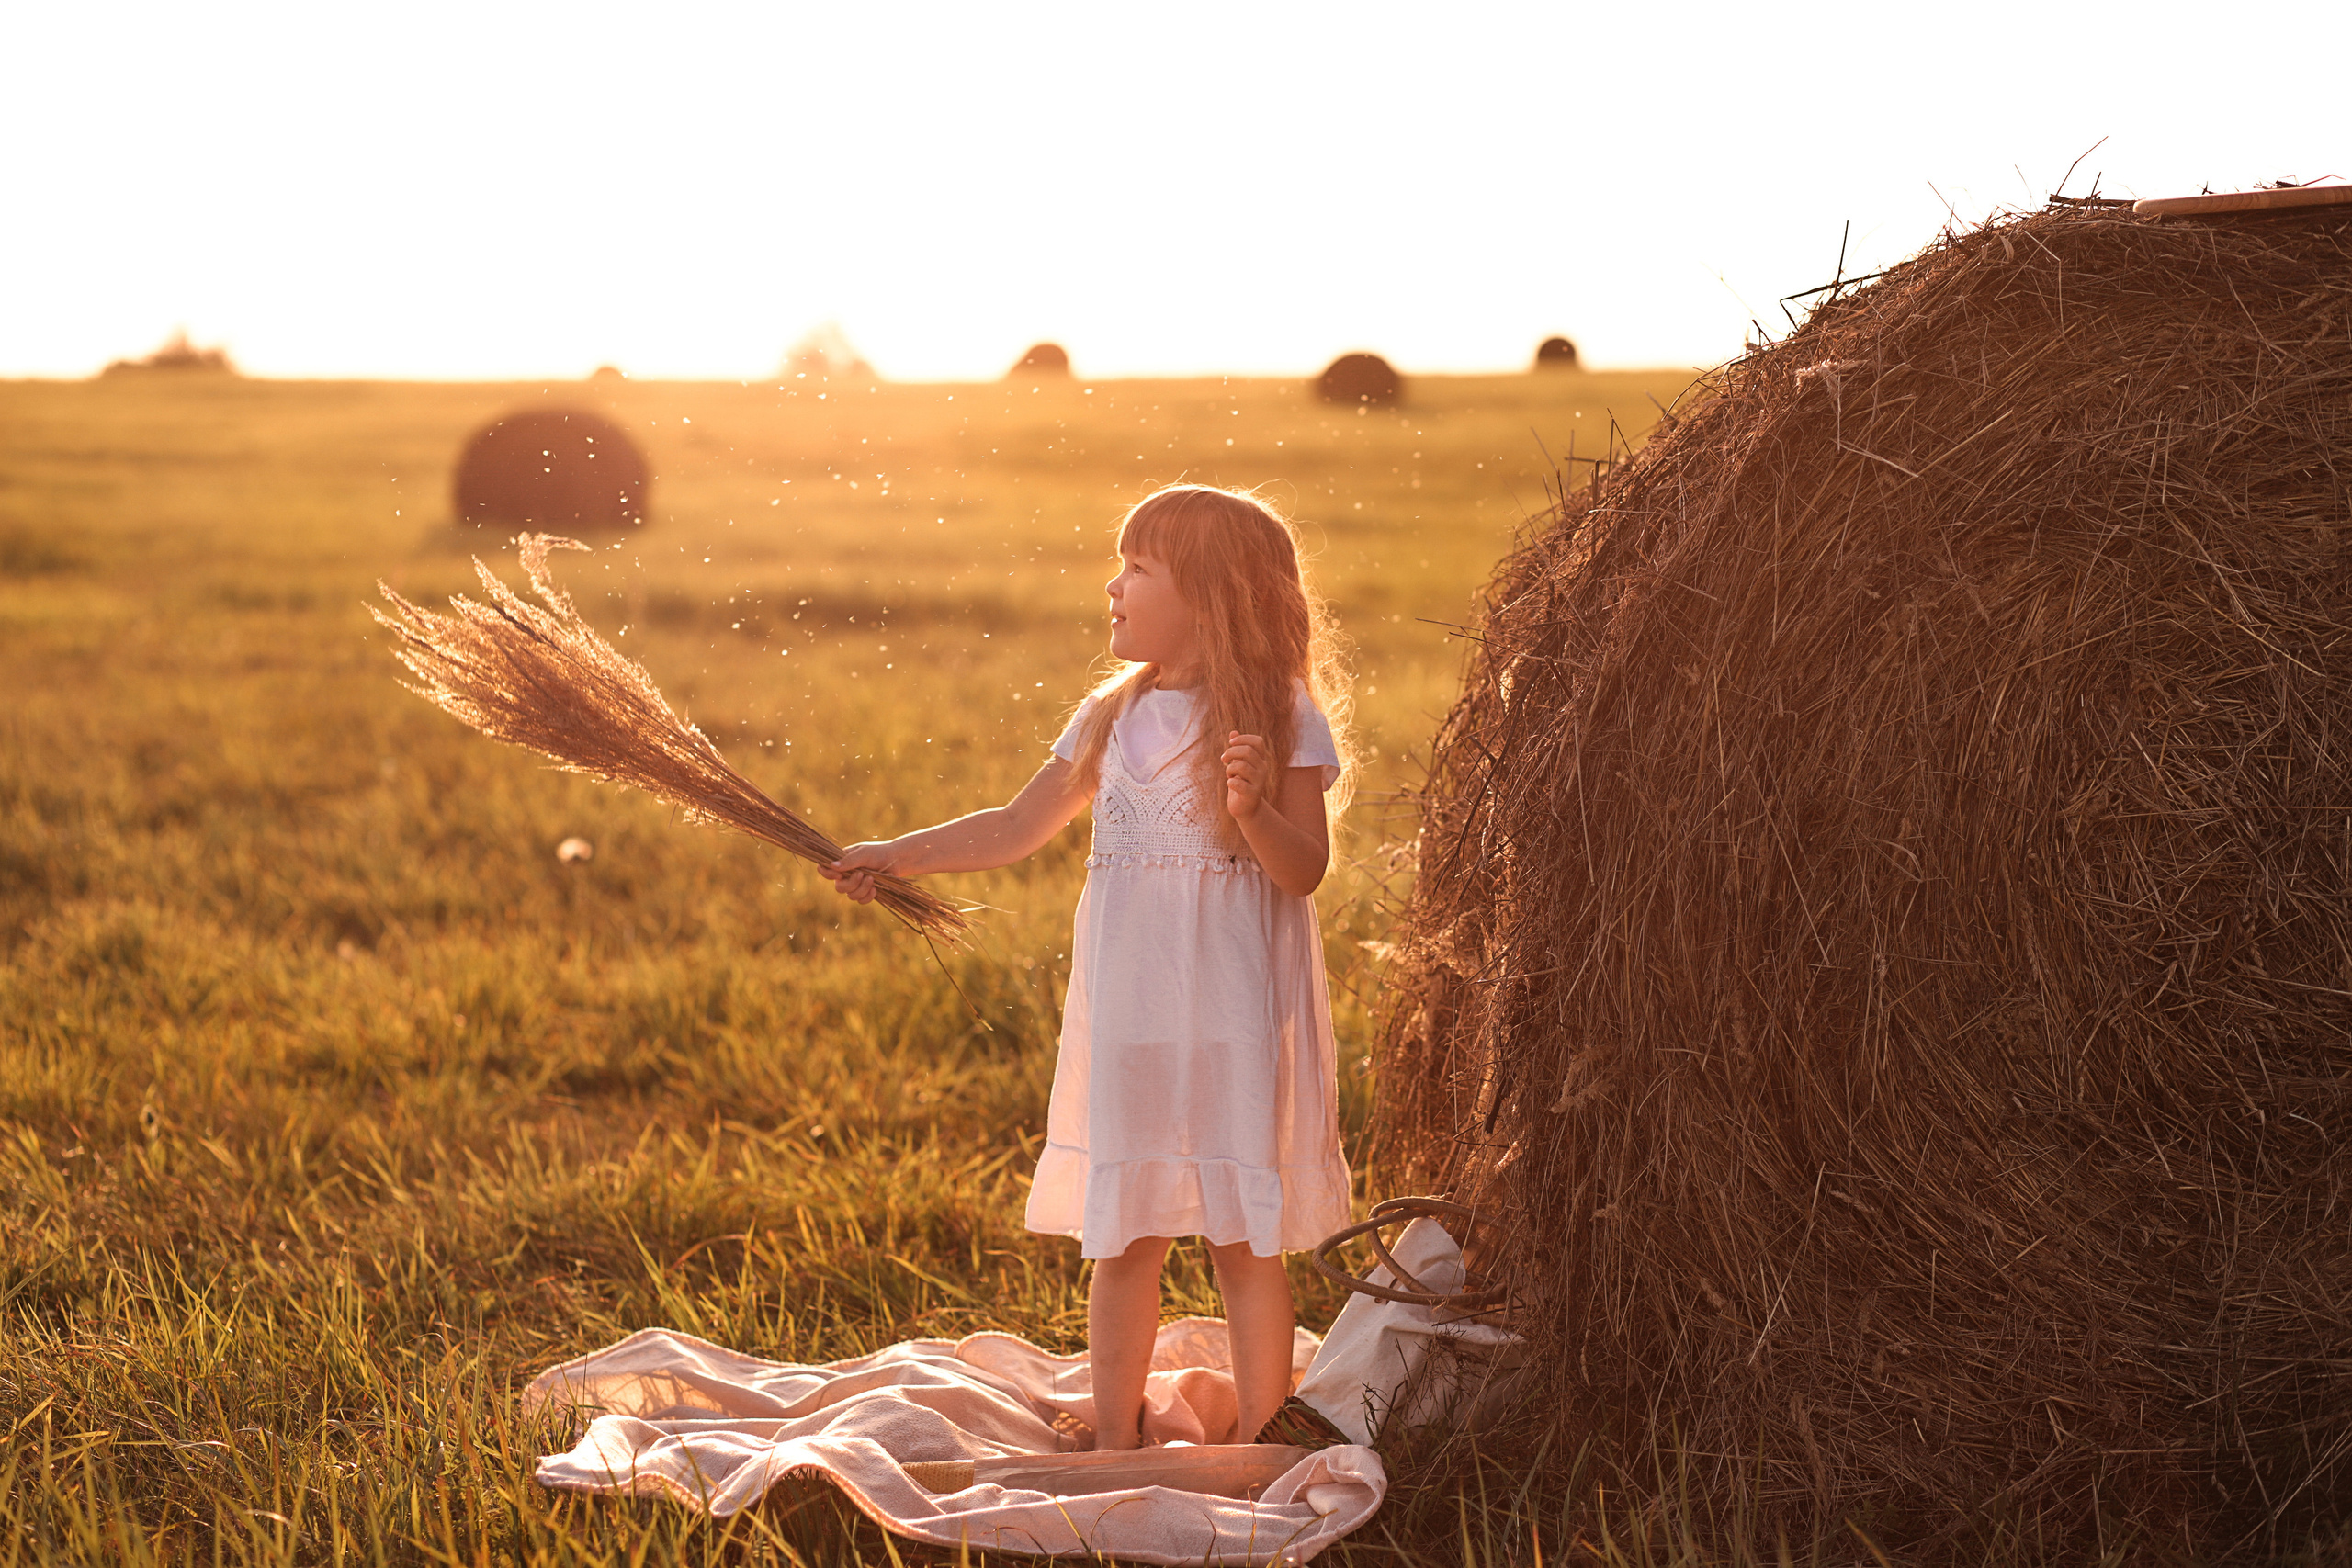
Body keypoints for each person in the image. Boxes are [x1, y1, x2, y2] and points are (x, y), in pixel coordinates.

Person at [820, 483, 1354, 1450]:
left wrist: (1251, 813)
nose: (1112, 587)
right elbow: (1014, 827)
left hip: (1235, 1015)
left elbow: (1303, 870)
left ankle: (1263, 1444)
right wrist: (892, 856)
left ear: (1210, 593)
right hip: (1130, 1010)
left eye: (1136, 569)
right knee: (1126, 1235)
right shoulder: (1113, 715)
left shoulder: (1279, 713)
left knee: (1243, 1241)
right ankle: (1116, 1440)